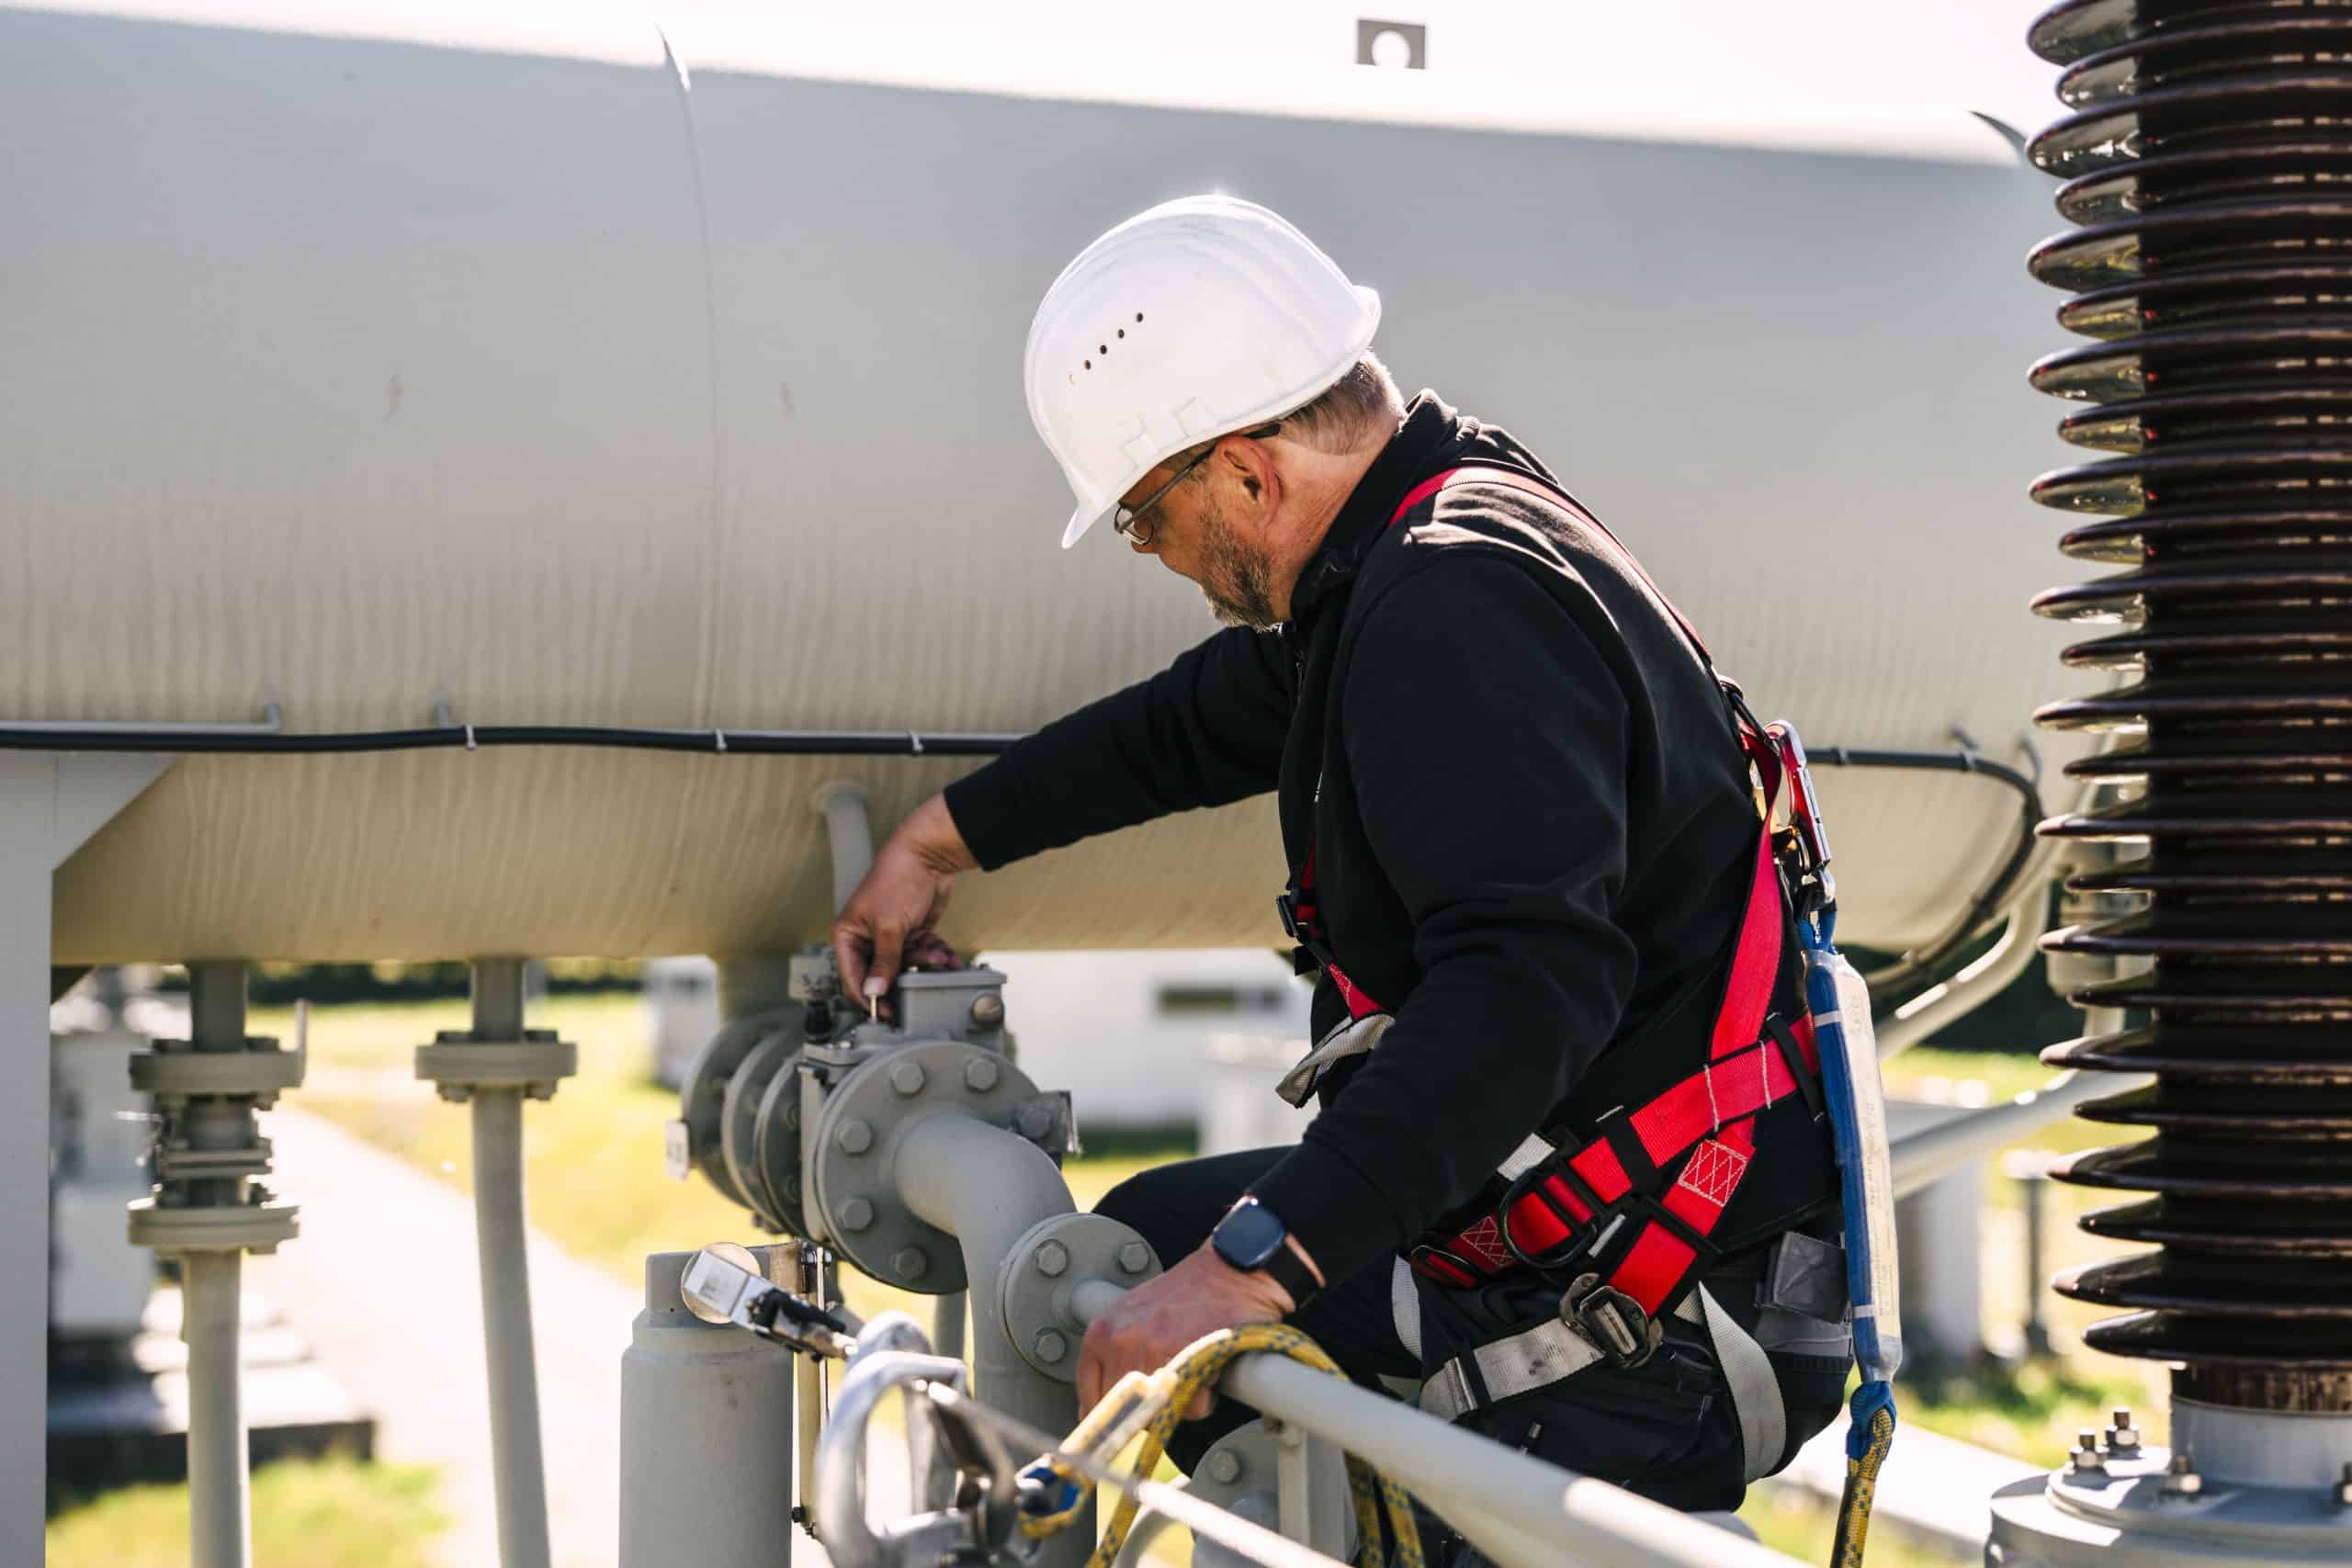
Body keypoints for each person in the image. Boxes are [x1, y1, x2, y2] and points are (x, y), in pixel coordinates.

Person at [831, 194, 1853, 1518]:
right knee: (1137, 1237)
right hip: (1608, 1236)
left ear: (1251, 473)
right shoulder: (1429, 532)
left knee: (1191, 1350)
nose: (1156, 557)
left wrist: (1252, 1273)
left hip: (1666, 1320)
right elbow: (1193, 726)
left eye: (1145, 518)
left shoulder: (1451, 599)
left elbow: (1524, 989)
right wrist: (938, 840)